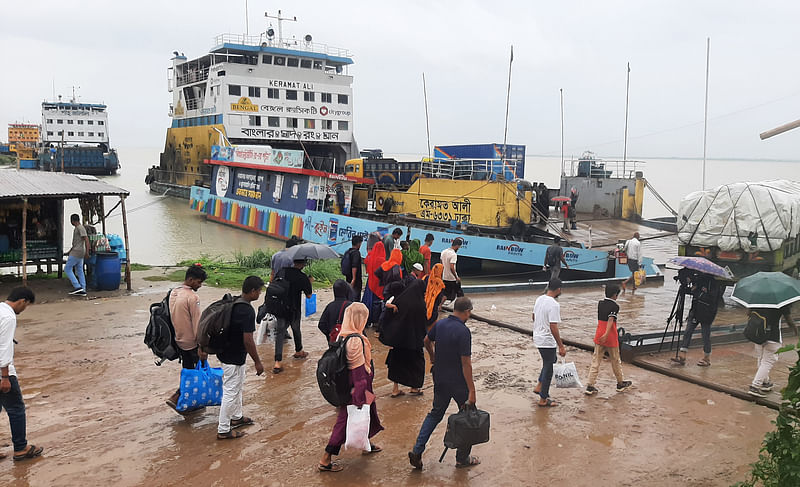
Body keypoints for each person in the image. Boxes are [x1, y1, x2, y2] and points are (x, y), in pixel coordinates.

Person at [408, 296, 480, 470]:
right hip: (458, 382)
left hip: (439, 378)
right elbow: (466, 364)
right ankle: (462, 458)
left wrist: (433, 357)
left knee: (435, 414)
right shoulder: (463, 332)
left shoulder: (440, 325)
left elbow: (426, 340)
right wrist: (472, 390)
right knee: (468, 416)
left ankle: (417, 451)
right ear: (467, 311)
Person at [319, 303, 383, 472]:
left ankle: (366, 443)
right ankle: (326, 458)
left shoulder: (342, 334)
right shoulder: (355, 340)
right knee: (345, 420)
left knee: (369, 413)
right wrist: (359, 394)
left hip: (348, 384)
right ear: (359, 319)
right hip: (356, 386)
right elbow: (358, 370)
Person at [216, 276, 265, 439]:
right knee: (230, 391)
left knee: (237, 386)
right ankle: (223, 429)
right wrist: (257, 362)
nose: (260, 294)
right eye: (259, 291)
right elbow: (248, 339)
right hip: (233, 357)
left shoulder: (235, 302)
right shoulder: (247, 311)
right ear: (252, 291)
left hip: (227, 353)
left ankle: (236, 417)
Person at [0, 287, 43, 461]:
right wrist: (5, 376)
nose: (24, 310)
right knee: (16, 409)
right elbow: (4, 347)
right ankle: (20, 448)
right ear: (22, 301)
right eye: (26, 306)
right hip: (3, 372)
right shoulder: (9, 317)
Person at [166, 265, 208, 413]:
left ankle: (187, 400)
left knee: (188, 370)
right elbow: (197, 323)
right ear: (190, 279)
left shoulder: (174, 292)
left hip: (179, 339)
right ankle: (179, 398)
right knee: (195, 373)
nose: (199, 285)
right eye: (198, 282)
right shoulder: (193, 297)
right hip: (191, 342)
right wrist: (202, 345)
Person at [382, 279, 428, 397]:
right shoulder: (421, 304)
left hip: (399, 340)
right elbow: (423, 324)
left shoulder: (400, 300)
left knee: (397, 364)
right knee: (417, 364)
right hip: (414, 341)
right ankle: (414, 388)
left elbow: (390, 316)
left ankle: (395, 389)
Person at [584, 284, 632, 395]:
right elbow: (611, 319)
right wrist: (606, 334)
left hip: (599, 333)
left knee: (596, 360)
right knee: (615, 360)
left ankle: (590, 385)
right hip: (610, 336)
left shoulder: (600, 304)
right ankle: (620, 383)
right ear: (615, 295)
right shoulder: (615, 306)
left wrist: (603, 334)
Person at [671, 271, 721, 367]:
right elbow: (693, 291)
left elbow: (712, 298)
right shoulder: (698, 280)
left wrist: (697, 292)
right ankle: (682, 355)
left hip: (707, 313)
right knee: (688, 331)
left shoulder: (713, 284)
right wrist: (686, 287)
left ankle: (706, 358)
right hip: (695, 310)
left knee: (705, 335)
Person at [747, 305, 797, 398]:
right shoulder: (781, 302)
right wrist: (795, 329)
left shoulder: (757, 299)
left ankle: (765, 382)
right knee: (768, 362)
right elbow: (789, 320)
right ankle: (755, 386)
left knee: (761, 359)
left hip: (758, 334)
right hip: (773, 336)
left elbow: (748, 313)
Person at [273, 259, 313, 373]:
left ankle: (277, 362)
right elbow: (309, 296)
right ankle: (299, 351)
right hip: (294, 308)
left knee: (280, 333)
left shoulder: (282, 271)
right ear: (303, 264)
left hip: (280, 307)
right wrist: (309, 282)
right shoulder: (302, 277)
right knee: (296, 329)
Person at [532, 278, 566, 407]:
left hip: (538, 337)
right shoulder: (554, 304)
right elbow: (553, 326)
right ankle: (543, 398)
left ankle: (540, 385)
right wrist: (561, 346)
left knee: (550, 361)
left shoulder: (539, 299)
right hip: (547, 340)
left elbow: (533, 316)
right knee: (549, 367)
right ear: (558, 289)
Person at [362, 241, 386, 327]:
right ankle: (374, 320)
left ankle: (365, 319)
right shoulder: (382, 260)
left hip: (370, 281)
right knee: (376, 301)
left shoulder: (370, 256)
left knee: (368, 299)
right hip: (378, 283)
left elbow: (366, 266)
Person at [65, 213, 89, 296]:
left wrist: (87, 252)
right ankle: (83, 288)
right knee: (80, 270)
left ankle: (77, 286)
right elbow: (76, 243)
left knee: (67, 269)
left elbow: (86, 239)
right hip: (78, 251)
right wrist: (69, 252)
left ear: (73, 221)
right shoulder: (77, 229)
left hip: (77, 252)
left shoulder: (80, 228)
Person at [423, 263, 446, 329]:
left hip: (422, 307)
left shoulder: (425, 278)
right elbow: (439, 299)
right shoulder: (440, 284)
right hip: (433, 311)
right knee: (430, 333)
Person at [441, 237, 464, 302]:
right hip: (452, 278)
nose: (459, 248)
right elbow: (452, 267)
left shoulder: (443, 252)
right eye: (459, 247)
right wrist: (456, 277)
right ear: (457, 246)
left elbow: (441, 263)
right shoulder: (453, 254)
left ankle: (439, 306)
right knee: (460, 293)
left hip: (444, 277)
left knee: (446, 293)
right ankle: (461, 306)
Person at [342, 235, 363, 301]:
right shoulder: (356, 253)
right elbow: (354, 266)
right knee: (355, 297)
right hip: (355, 280)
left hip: (348, 277)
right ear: (359, 243)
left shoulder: (347, 252)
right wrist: (354, 279)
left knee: (349, 294)